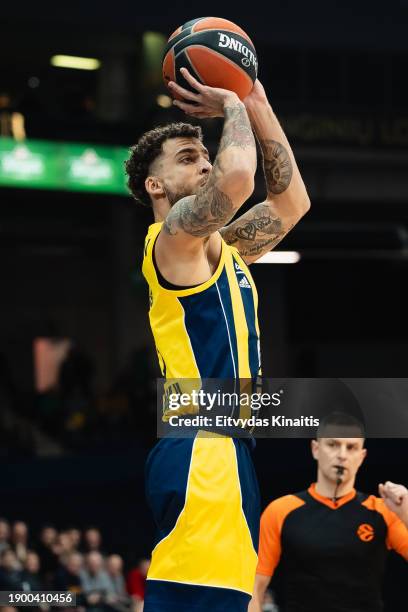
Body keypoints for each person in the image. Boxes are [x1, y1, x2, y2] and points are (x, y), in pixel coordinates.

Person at [125, 66, 310, 612]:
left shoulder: (220, 247)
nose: (204, 162)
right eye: (187, 159)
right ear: (155, 186)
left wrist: (256, 97)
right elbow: (237, 180)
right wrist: (231, 104)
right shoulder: (173, 241)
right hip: (201, 443)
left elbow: (292, 202)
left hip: (225, 448)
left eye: (205, 154)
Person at [249, 413, 408, 612]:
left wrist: (407, 514)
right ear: (316, 449)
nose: (342, 454)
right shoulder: (281, 510)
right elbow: (255, 586)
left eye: (351, 447)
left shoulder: (383, 511)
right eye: (333, 444)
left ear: (362, 456)